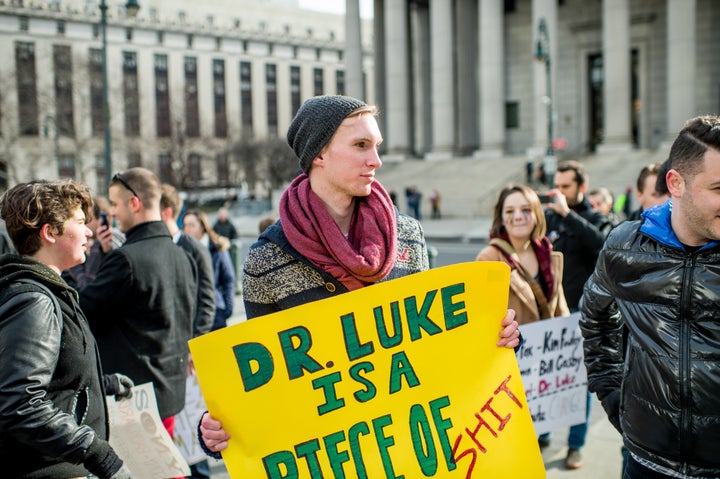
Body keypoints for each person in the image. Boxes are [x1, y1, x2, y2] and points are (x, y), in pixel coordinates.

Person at [198, 94, 522, 455]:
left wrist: (493, 339)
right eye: (361, 145)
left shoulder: (408, 234)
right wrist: (215, 433)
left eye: (376, 145)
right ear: (318, 155)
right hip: (329, 456)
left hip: (407, 449)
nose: (377, 160)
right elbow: (262, 386)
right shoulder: (266, 258)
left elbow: (431, 353)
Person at [580, 115, 720, 479]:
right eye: (719, 189)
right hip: (646, 463)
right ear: (675, 183)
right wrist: (613, 397)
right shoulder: (625, 246)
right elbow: (595, 318)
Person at [0, 180, 133, 479]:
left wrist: (103, 383)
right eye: (81, 222)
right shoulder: (34, 299)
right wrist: (99, 455)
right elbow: (21, 402)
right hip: (48, 469)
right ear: (50, 233)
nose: (89, 232)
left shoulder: (46, 291)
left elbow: (52, 376)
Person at [79, 167, 197, 446]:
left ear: (134, 203)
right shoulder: (181, 255)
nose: (113, 214)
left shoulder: (128, 260)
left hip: (134, 397)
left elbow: (82, 312)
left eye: (116, 205)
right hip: (169, 390)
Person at [540, 159, 607, 469]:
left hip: (583, 313)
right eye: (557, 185)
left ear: (581, 187)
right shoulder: (551, 219)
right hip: (552, 310)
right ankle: (543, 430)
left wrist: (569, 214)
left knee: (580, 382)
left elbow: (604, 245)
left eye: (566, 187)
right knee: (547, 375)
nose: (559, 192)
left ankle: (575, 445)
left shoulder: (595, 219)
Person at [476, 184, 569, 324]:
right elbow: (483, 316)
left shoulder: (546, 252)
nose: (518, 217)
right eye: (509, 211)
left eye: (526, 209)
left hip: (549, 342)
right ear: (501, 218)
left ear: (537, 214)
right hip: (514, 344)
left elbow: (561, 311)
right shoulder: (489, 258)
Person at [160, 184, 215, 338]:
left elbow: (207, 302)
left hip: (188, 340)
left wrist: (195, 344)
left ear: (166, 213)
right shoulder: (157, 247)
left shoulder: (196, 249)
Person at [183, 209, 235, 331]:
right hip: (192, 315)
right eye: (185, 225)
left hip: (216, 313)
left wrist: (227, 309)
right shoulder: (182, 248)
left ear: (202, 227)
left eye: (191, 225)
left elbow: (228, 279)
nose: (187, 229)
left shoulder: (217, 247)